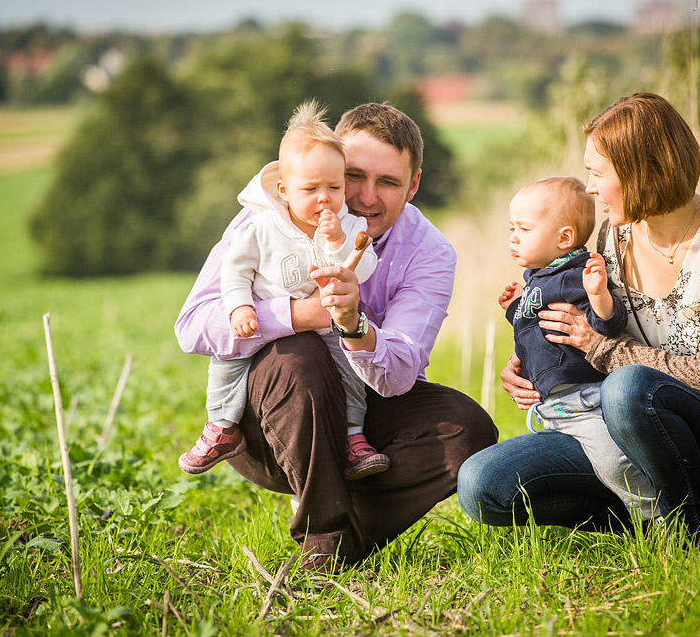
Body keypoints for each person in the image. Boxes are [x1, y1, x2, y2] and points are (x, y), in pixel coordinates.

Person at [458, 92, 700, 534]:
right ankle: (649, 515)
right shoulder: (613, 237)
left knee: (625, 390)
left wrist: (598, 347)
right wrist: (538, 358)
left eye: (597, 173)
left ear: (640, 171)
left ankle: (693, 533)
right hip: (624, 436)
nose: (588, 187)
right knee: (482, 485)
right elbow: (594, 324)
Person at [175, 102, 498, 569]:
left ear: (414, 185)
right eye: (354, 176)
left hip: (365, 420)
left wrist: (353, 324)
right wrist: (300, 315)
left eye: (388, 182)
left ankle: (343, 534)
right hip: (270, 423)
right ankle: (323, 534)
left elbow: (401, 373)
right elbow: (193, 325)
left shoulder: (429, 252)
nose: (365, 197)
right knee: (300, 355)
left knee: (467, 432)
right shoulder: (268, 219)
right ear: (330, 166)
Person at [178, 101, 390, 481]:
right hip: (266, 331)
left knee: (349, 373)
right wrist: (242, 308)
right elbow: (235, 270)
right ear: (284, 189)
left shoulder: (347, 224)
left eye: (334, 187)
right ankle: (221, 426)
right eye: (311, 189)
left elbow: (366, 265)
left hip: (329, 330)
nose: (324, 198)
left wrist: (340, 240)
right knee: (227, 364)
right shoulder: (261, 227)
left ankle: (353, 437)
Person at [500, 176, 658, 520]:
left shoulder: (577, 275)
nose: (512, 237)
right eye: (511, 227)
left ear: (565, 237)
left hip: (585, 401)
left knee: (614, 464)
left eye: (523, 229)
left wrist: (599, 295)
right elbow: (538, 327)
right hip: (554, 409)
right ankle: (620, 516)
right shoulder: (536, 279)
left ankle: (658, 520)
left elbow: (608, 324)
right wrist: (514, 308)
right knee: (601, 469)